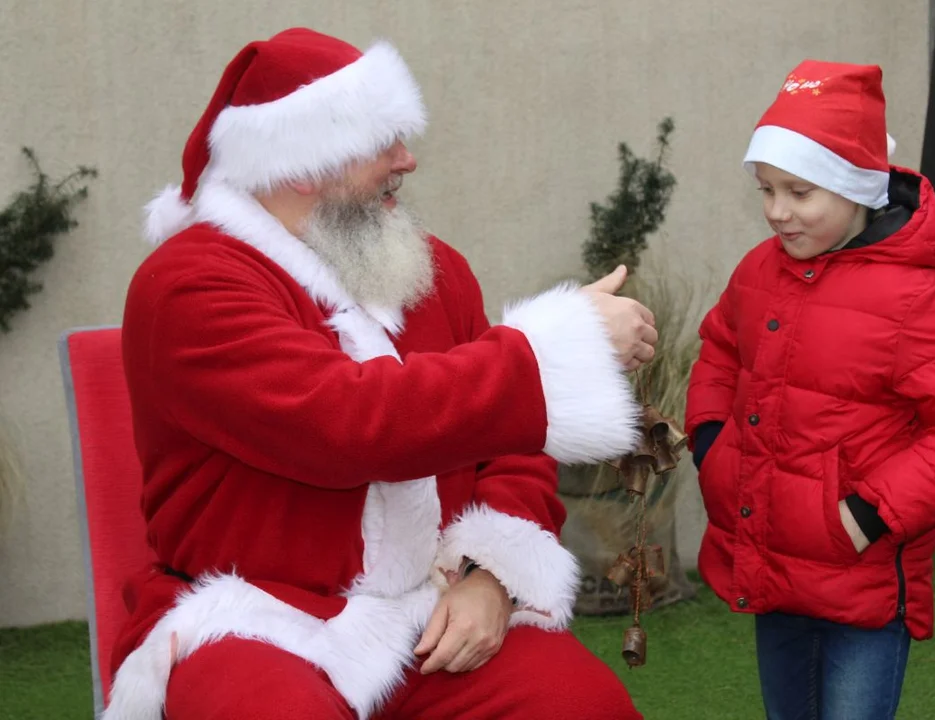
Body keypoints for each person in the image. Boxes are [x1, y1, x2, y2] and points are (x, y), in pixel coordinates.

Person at [107, 27, 655, 720]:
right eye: (383, 142)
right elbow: (347, 424)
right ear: (306, 161)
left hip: (428, 604)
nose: (408, 160)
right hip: (254, 615)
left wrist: (494, 577)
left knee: (582, 704)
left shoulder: (432, 270)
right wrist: (550, 351)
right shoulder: (188, 285)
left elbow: (508, 447)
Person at [685, 60, 935, 720]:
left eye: (800, 192)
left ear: (857, 188)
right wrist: (711, 442)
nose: (777, 211)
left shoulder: (917, 298)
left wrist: (870, 514)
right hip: (772, 569)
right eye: (767, 189)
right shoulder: (759, 272)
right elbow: (721, 349)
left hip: (861, 587)